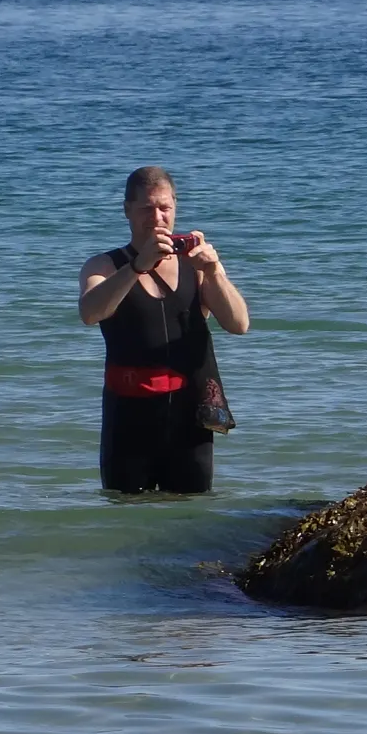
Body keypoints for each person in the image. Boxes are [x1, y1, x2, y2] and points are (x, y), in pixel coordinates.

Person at [79, 166, 251, 493]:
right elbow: (90, 312)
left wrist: (214, 271)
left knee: (190, 514)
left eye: (165, 207)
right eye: (146, 208)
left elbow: (239, 324)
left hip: (190, 419)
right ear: (127, 210)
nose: (157, 217)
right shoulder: (104, 266)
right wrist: (137, 266)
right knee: (125, 513)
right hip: (129, 419)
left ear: (175, 207)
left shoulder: (196, 265)